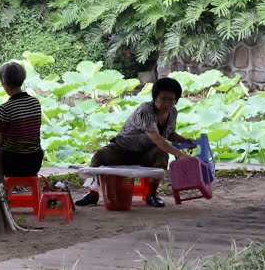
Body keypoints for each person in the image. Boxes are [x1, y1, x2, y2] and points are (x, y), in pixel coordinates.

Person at [74, 77, 195, 208]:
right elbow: (157, 138)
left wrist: (183, 140)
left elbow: (168, 133)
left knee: (161, 153)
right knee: (101, 155)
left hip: (146, 153)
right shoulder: (146, 111)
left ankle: (152, 194)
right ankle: (93, 194)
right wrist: (180, 154)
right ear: (155, 98)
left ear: (176, 100)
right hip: (123, 149)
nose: (167, 103)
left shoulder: (173, 113)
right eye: (163, 99)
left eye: (171, 100)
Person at [0, 62, 44, 177]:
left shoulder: (4, 109)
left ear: (5, 84)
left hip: (12, 163)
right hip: (34, 162)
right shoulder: (35, 102)